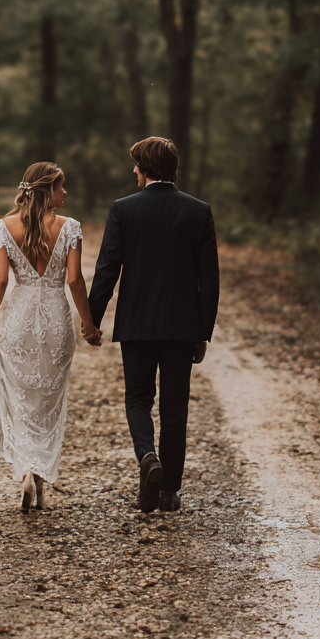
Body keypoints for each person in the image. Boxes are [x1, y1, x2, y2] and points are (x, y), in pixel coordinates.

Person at [88, 137, 220, 513]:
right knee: (175, 408)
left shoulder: (123, 209)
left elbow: (107, 269)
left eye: (136, 165)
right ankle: (170, 492)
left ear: (146, 168)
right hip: (182, 326)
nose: (133, 170)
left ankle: (147, 455)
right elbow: (209, 278)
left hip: (137, 323)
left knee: (138, 399)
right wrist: (203, 332)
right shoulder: (199, 211)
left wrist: (92, 319)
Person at [0, 162, 103, 511]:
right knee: (48, 403)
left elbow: (0, 281)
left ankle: (27, 473)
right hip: (56, 322)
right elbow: (74, 280)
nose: (66, 193)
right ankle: (38, 473)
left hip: (19, 323)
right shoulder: (70, 227)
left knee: (21, 400)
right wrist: (89, 326)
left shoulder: (3, 228)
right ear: (47, 190)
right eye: (62, 187)